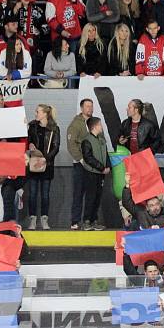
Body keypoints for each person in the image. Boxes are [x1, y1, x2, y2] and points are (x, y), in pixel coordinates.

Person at [26, 104, 60, 230]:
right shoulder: (32, 126)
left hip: (47, 165)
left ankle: (44, 218)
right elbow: (27, 141)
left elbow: (56, 147)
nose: (36, 113)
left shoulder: (54, 128)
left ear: (45, 113)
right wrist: (30, 145)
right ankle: (32, 219)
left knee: (45, 194)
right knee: (32, 194)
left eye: (38, 111)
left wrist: (45, 159)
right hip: (34, 163)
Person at [67, 99, 93, 231]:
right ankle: (75, 221)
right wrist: (81, 159)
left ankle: (88, 221)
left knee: (92, 194)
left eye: (91, 106)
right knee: (78, 193)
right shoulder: (76, 124)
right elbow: (71, 145)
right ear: (82, 108)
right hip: (80, 164)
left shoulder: (95, 122)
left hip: (93, 165)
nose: (90, 108)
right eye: (87, 106)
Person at [80, 116, 109, 231]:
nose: (102, 127)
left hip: (100, 174)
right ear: (95, 126)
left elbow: (106, 154)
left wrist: (107, 166)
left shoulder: (101, 139)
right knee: (90, 197)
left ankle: (94, 220)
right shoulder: (86, 140)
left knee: (97, 197)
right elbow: (88, 158)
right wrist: (101, 168)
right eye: (100, 124)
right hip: (91, 173)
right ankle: (87, 221)